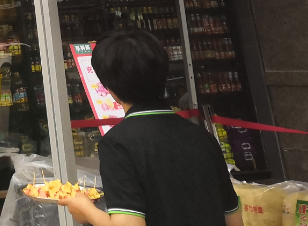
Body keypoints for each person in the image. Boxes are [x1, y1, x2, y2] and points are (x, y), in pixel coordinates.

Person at [59, 30, 242, 226]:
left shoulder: (117, 144)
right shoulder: (203, 138)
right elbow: (234, 220)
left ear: (109, 88)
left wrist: (86, 210)